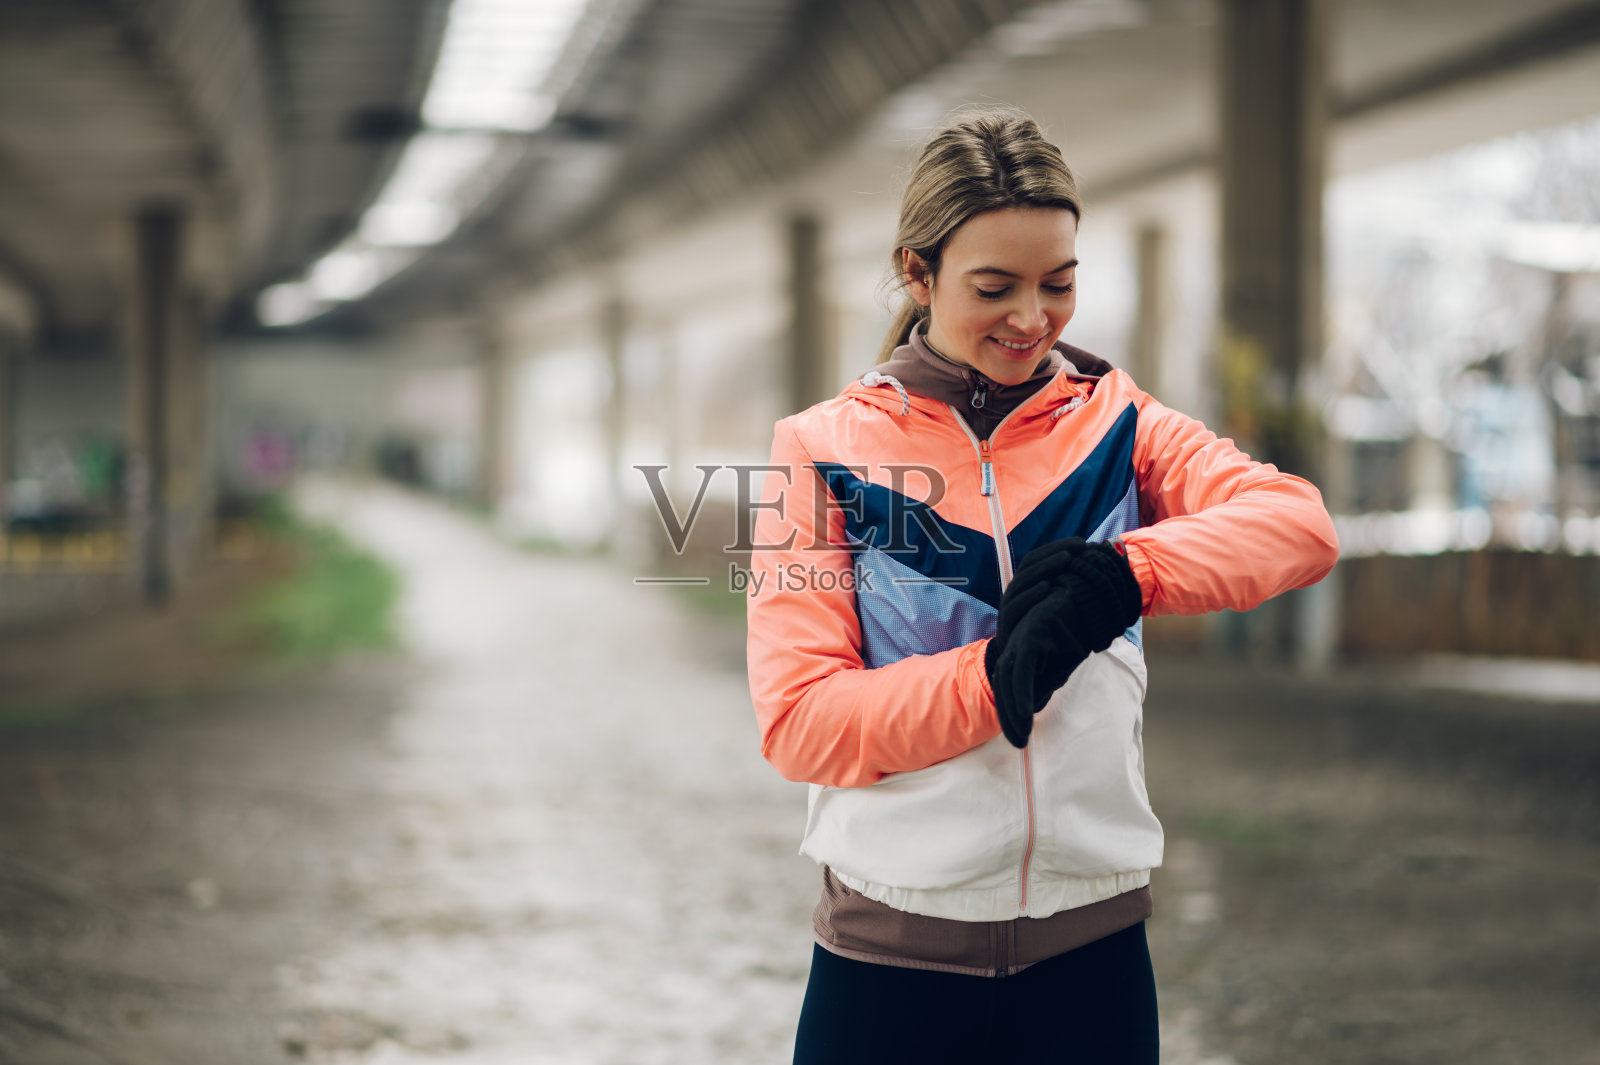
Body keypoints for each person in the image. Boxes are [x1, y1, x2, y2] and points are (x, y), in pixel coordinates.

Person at [744, 107, 1339, 1064]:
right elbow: (800, 719)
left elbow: (1299, 526)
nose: (1032, 318)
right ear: (918, 272)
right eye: (995, 287)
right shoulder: (818, 450)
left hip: (1092, 962)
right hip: (887, 966)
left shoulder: (1120, 424)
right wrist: (992, 679)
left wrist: (1123, 576)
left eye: (1058, 283)